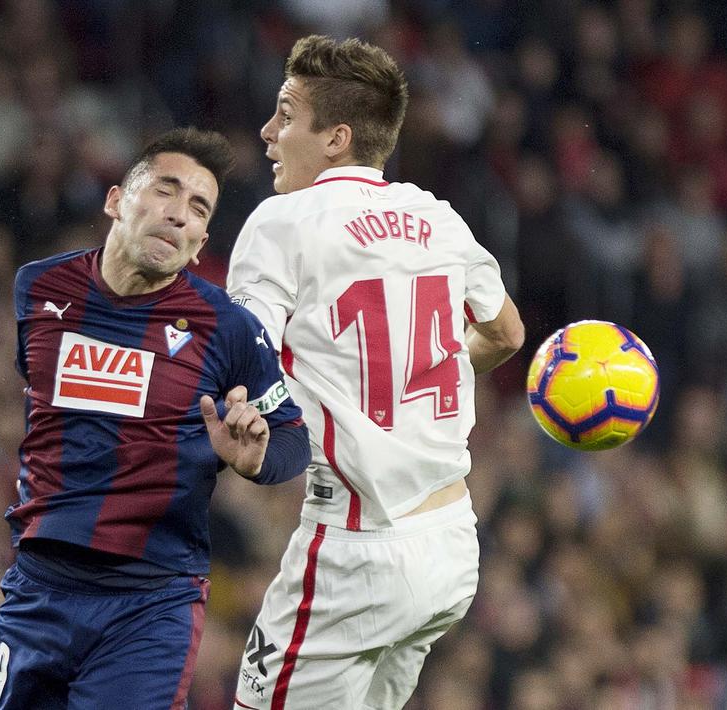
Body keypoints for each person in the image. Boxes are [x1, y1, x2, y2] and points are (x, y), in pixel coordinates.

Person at [227, 36, 526, 709]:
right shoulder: (438, 219)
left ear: (335, 138)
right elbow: (505, 332)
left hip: (356, 554)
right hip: (450, 546)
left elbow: (241, 357)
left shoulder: (283, 222)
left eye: (284, 114)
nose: (267, 131)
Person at [0, 127, 311, 710]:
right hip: (39, 585)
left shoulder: (227, 327)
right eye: (166, 192)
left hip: (151, 600)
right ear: (116, 200)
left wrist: (258, 458)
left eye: (197, 209)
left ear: (202, 240)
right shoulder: (38, 288)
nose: (179, 216)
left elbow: (292, 435)